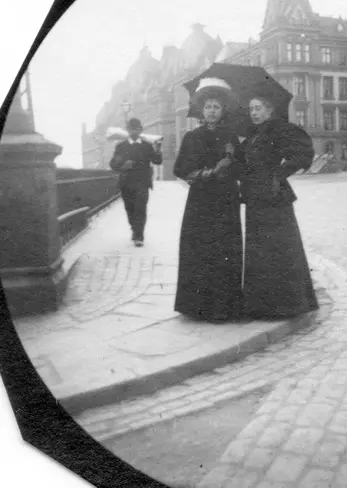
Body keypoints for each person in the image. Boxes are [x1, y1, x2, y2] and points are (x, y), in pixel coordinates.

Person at [237, 96, 319, 320]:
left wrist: (280, 173)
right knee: (259, 249)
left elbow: (303, 152)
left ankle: (286, 305)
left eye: (258, 108)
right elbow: (242, 162)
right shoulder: (253, 135)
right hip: (255, 197)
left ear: (269, 109)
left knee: (278, 248)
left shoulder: (279, 129)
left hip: (274, 195)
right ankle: (261, 305)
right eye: (251, 109)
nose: (254, 113)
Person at [173, 79, 243, 322]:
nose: (212, 111)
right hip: (201, 201)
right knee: (201, 250)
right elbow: (180, 169)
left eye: (216, 107)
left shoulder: (230, 137)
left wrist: (232, 162)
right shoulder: (192, 137)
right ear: (202, 111)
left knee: (224, 250)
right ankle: (198, 306)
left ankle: (224, 307)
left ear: (223, 110)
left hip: (226, 200)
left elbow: (242, 169)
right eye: (208, 107)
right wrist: (209, 172)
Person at [109, 118, 162, 246]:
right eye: (131, 129)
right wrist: (123, 166)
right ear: (128, 130)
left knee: (140, 209)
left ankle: (139, 236)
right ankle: (134, 229)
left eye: (136, 129)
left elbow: (157, 161)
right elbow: (113, 164)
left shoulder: (147, 146)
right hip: (126, 183)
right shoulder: (121, 146)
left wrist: (158, 150)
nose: (134, 131)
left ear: (140, 130)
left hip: (142, 183)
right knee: (130, 209)